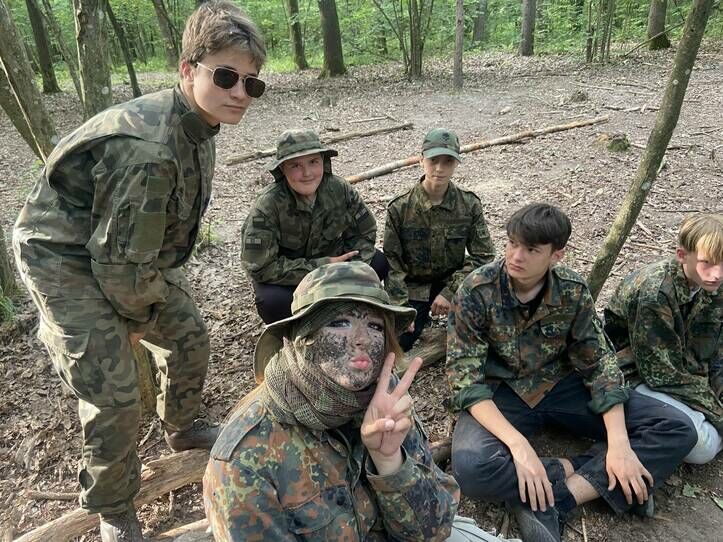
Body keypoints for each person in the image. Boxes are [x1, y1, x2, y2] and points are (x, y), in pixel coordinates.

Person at [12, 2, 266, 540]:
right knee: (114, 391)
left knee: (189, 335)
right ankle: (113, 508)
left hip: (121, 253)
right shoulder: (149, 148)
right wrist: (135, 316)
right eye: (226, 76)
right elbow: (119, 266)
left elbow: (156, 235)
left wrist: (152, 303)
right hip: (62, 254)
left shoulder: (198, 126)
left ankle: (182, 426)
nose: (241, 92)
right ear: (187, 69)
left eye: (252, 83)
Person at [203, 261, 515, 542]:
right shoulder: (244, 460)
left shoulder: (384, 395)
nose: (362, 339)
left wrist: (389, 462)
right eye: (340, 323)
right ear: (301, 338)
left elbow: (433, 530)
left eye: (375, 326)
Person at [446, 203, 697, 542]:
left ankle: (562, 497)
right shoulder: (477, 290)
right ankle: (600, 475)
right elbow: (466, 381)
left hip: (561, 384)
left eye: (531, 249)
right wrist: (520, 447)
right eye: (512, 243)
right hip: (501, 393)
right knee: (471, 469)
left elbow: (599, 364)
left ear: (556, 255)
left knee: (677, 428)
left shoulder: (572, 290)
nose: (516, 256)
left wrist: (620, 445)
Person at [604, 213, 722, 464]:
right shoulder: (655, 292)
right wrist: (717, 411)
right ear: (682, 256)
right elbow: (660, 374)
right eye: (707, 262)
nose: (717, 273)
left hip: (686, 373)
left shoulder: (712, 284)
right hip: (635, 375)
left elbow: (715, 355)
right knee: (702, 447)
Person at [240, 128, 387, 324]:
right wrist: (322, 268)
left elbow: (364, 233)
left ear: (323, 162)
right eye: (295, 165)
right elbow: (259, 267)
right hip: (293, 280)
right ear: (282, 169)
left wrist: (348, 268)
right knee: (271, 302)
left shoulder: (339, 189)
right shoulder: (268, 205)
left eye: (313, 162)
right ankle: (302, 327)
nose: (307, 173)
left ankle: (342, 311)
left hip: (338, 267)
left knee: (379, 262)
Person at [383, 128, 495, 351]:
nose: (440, 168)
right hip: (415, 288)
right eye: (434, 160)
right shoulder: (400, 208)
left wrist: (450, 291)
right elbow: (393, 263)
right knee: (398, 342)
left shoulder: (469, 205)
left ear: (456, 164)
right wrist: (401, 308)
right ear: (421, 160)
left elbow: (484, 256)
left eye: (448, 162)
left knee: (488, 331)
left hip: (454, 282)